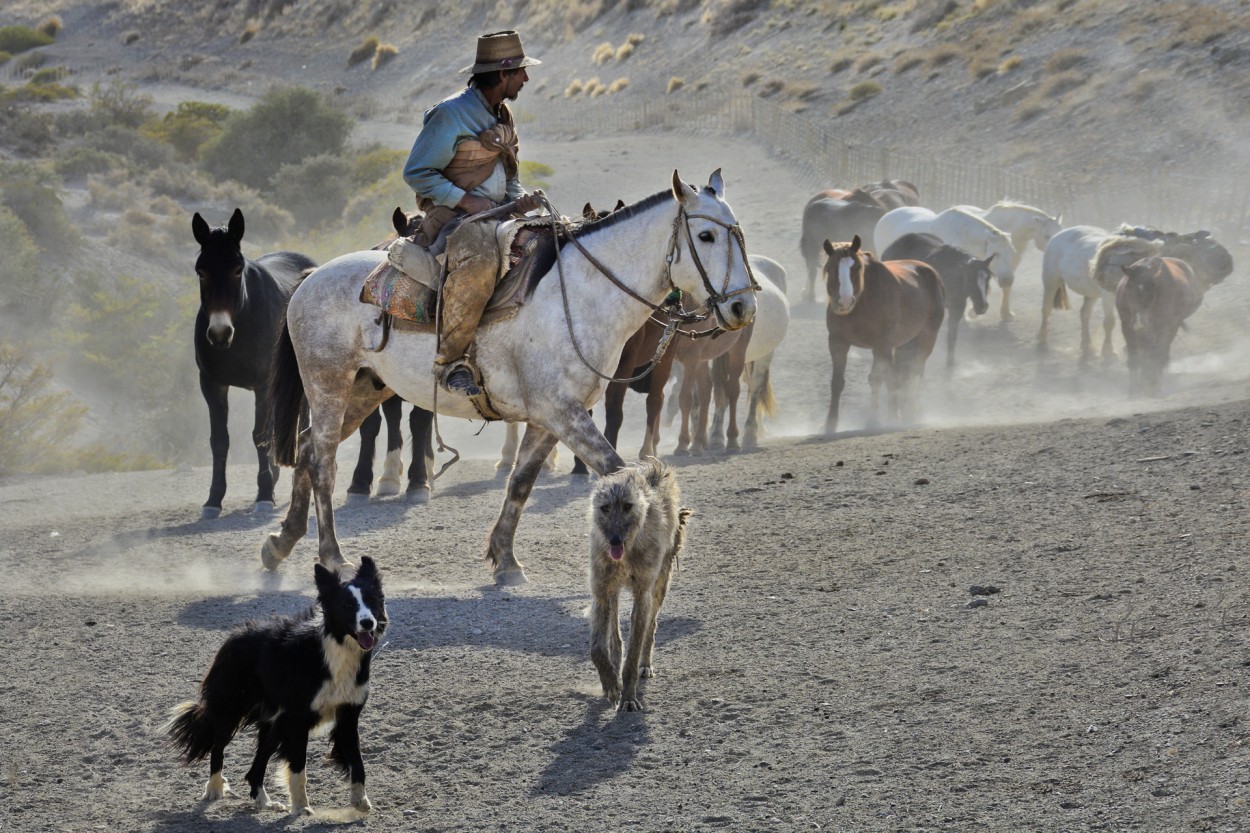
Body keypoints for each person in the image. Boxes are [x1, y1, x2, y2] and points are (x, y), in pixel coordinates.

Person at [402, 30, 543, 397]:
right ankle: (450, 363)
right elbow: (416, 172)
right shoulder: (450, 115)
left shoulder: (503, 114)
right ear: (502, 75)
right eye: (520, 73)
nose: (525, 79)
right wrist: (466, 201)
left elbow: (509, 178)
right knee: (480, 261)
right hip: (455, 219)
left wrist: (523, 200)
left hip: (499, 214)